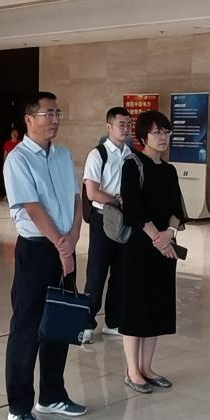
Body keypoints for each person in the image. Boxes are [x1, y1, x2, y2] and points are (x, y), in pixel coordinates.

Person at [2, 92, 87, 420]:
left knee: (60, 322)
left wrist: (73, 238)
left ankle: (53, 394)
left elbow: (77, 198)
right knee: (27, 328)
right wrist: (60, 245)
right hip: (37, 250)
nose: (54, 119)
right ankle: (19, 406)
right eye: (47, 113)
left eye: (57, 113)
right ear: (29, 119)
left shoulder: (63, 155)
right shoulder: (18, 159)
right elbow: (32, 207)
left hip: (65, 245)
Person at [118, 110, 186, 394]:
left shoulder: (169, 170)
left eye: (166, 131)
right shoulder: (132, 165)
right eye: (157, 132)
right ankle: (132, 371)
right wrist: (157, 237)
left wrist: (168, 233)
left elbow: (178, 209)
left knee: (157, 306)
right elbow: (132, 209)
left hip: (163, 249)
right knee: (136, 307)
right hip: (138, 248)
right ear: (143, 136)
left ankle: (147, 367)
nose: (163, 137)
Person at [79, 107, 132, 344]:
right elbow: (92, 192)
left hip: (124, 220)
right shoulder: (97, 154)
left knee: (121, 272)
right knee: (97, 272)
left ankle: (114, 322)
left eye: (128, 124)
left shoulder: (131, 154)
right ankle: (86, 324)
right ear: (109, 126)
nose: (126, 129)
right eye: (121, 124)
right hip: (103, 218)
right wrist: (118, 200)